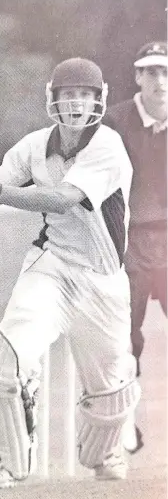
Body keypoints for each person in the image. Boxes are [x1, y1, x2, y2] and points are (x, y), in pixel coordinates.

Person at [0, 58, 141, 489]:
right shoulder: (33, 146)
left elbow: (63, 199)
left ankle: (104, 452)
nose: (76, 104)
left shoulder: (107, 146)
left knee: (110, 398)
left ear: (97, 100)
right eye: (68, 95)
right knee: (3, 363)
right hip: (52, 267)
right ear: (54, 99)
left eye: (84, 96)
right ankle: (7, 461)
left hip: (103, 281)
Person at [103, 42, 167, 453]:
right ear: (138, 77)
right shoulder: (114, 122)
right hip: (131, 244)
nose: (160, 81)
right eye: (151, 73)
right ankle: (124, 425)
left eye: (165, 72)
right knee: (125, 339)